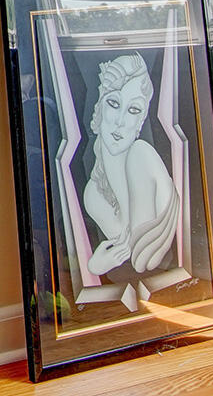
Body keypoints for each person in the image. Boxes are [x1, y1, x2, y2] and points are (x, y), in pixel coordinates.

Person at [82, 53, 179, 277]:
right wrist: (95, 266)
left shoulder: (141, 156)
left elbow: (140, 256)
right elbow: (128, 252)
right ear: (99, 107)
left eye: (133, 110)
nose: (120, 121)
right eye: (114, 103)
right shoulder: (94, 194)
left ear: (141, 120)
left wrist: (98, 266)